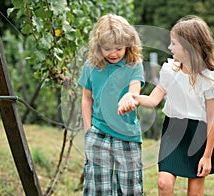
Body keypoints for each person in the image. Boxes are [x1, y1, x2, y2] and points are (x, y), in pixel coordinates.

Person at [118, 15, 214, 196]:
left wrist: (207, 156)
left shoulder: (210, 78)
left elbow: (213, 118)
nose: (169, 47)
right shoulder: (170, 70)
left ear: (189, 47)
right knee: (163, 183)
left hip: (199, 135)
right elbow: (153, 100)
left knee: (194, 193)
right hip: (173, 130)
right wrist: (133, 97)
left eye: (174, 43)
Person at [78, 13, 145, 195]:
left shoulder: (134, 65)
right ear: (98, 47)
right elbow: (86, 97)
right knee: (99, 188)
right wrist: (88, 130)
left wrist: (130, 98)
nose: (113, 53)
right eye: (107, 49)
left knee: (130, 187)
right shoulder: (91, 66)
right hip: (98, 133)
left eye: (118, 48)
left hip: (127, 135)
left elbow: (134, 91)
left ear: (128, 45)